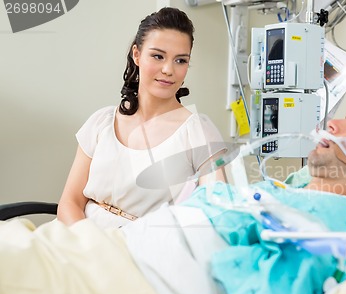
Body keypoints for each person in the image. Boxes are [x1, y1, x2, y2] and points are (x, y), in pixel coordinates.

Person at [0, 95, 346, 294]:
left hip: (131, 287)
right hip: (95, 249)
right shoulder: (278, 190)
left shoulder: (340, 222)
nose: (334, 124)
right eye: (345, 116)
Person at [57, 7, 224, 228]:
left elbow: (218, 212)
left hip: (141, 249)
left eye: (180, 60)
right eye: (158, 56)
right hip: (77, 237)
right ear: (136, 55)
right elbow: (69, 203)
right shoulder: (102, 121)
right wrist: (88, 242)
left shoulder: (197, 132)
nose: (168, 69)